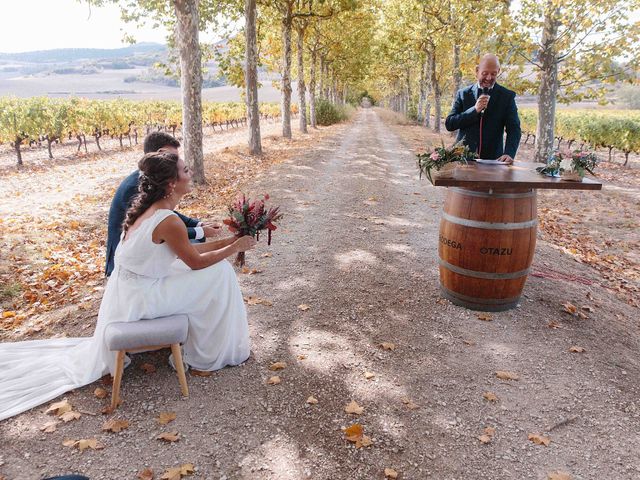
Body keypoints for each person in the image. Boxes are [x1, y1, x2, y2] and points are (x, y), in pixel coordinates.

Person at [0, 150, 257, 421]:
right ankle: (207, 355)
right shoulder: (167, 220)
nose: (190, 174)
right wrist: (234, 248)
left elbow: (189, 250)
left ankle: (203, 345)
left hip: (128, 293)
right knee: (221, 274)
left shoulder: (151, 211)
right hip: (141, 298)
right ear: (171, 183)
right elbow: (194, 261)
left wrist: (231, 241)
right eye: (185, 171)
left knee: (217, 271)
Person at [105, 132, 219, 276]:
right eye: (173, 157)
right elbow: (160, 226)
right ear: (161, 153)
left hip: (148, 255)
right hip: (135, 266)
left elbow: (163, 215)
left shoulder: (151, 181)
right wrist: (200, 232)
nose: (175, 160)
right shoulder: (136, 187)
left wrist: (197, 224)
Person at [445, 53, 521, 164]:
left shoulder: (507, 97)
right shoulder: (463, 94)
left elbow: (514, 129)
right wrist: (474, 110)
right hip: (462, 160)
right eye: (485, 73)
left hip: (493, 161)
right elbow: (450, 124)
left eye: (493, 74)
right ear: (477, 71)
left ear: (498, 71)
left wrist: (509, 153)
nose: (489, 78)